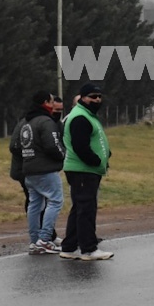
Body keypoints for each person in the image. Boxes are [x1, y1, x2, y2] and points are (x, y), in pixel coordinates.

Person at [59, 82, 114, 260]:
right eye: (92, 97)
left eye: (99, 96)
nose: (97, 100)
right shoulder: (80, 117)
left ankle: (69, 247)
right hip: (83, 170)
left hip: (86, 170)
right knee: (86, 209)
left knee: (79, 208)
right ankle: (89, 249)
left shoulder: (88, 115)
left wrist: (106, 155)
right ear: (82, 98)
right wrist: (96, 161)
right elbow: (80, 146)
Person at [13, 92, 66, 254]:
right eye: (51, 102)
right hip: (45, 170)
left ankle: (34, 241)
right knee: (55, 201)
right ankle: (44, 239)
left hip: (29, 170)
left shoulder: (25, 122)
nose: (53, 105)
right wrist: (62, 155)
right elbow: (52, 145)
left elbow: (16, 146)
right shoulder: (45, 121)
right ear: (45, 103)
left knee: (35, 204)